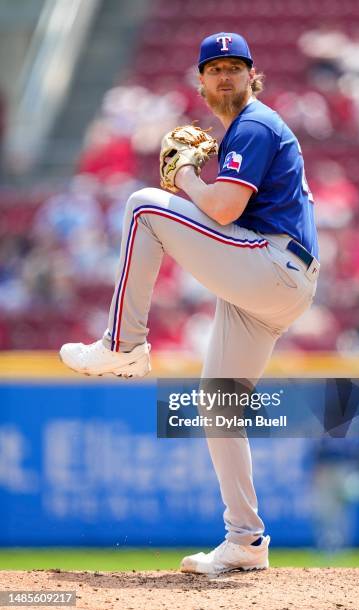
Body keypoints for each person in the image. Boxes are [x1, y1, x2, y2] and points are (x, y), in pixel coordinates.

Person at [60, 32, 320, 574]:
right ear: (200, 82)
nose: (225, 76)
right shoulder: (238, 134)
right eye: (215, 68)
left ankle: (123, 344)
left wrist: (182, 176)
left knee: (141, 207)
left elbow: (223, 210)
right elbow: (227, 214)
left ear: (254, 75)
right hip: (270, 286)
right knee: (217, 403)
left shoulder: (253, 124)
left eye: (235, 66)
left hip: (274, 267)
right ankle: (246, 541)